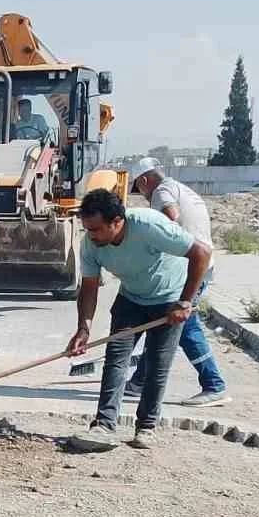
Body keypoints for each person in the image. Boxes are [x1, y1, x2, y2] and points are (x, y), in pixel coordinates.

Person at [65, 188, 213, 452]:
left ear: (117, 222)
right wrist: (83, 329)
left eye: (96, 229)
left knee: (156, 365)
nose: (91, 235)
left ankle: (146, 427)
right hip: (131, 299)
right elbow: (89, 287)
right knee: (116, 360)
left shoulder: (148, 225)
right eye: (87, 229)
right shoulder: (91, 244)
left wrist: (185, 302)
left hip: (168, 297)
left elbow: (201, 253)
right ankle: (104, 424)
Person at [122, 158, 228, 406]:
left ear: (144, 181)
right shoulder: (183, 188)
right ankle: (139, 382)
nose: (144, 197)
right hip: (199, 266)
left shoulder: (162, 191)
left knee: (185, 326)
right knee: (162, 324)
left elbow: (171, 217)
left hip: (190, 269)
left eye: (140, 190)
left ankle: (214, 384)